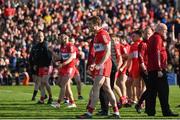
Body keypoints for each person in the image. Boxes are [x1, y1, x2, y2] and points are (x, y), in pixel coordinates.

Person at [77, 16, 120, 119]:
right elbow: (99, 53)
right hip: (102, 64)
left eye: (90, 24)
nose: (89, 26)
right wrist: (94, 63)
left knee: (96, 88)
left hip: (104, 65)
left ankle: (89, 113)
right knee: (107, 89)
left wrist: (100, 64)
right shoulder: (97, 35)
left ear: (96, 24)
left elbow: (108, 51)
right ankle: (116, 113)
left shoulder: (103, 34)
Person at [146, 23, 178, 116]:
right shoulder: (157, 38)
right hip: (157, 69)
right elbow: (157, 53)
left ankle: (150, 111)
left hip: (152, 69)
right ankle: (166, 111)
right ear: (160, 29)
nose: (166, 32)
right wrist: (159, 68)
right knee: (164, 91)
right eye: (165, 30)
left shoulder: (152, 37)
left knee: (152, 91)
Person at [98, 34, 123, 116]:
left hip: (111, 67)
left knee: (108, 88)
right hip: (110, 67)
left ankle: (116, 105)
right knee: (106, 88)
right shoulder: (109, 43)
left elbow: (120, 59)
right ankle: (107, 108)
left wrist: (117, 68)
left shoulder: (113, 44)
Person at [50, 34, 77, 108]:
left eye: (61, 38)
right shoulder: (62, 46)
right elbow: (60, 57)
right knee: (60, 83)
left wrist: (63, 64)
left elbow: (71, 58)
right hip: (64, 67)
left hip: (70, 67)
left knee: (63, 84)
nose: (60, 39)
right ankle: (72, 102)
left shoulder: (70, 45)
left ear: (66, 38)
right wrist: (52, 53)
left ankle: (58, 103)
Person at [135, 26, 153, 113]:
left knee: (150, 88)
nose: (147, 35)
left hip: (151, 68)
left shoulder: (152, 43)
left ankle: (142, 106)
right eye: (146, 33)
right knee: (150, 88)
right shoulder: (143, 44)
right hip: (145, 69)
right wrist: (144, 68)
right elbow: (140, 57)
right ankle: (140, 104)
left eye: (149, 33)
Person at [33, 30, 53, 104]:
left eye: (41, 36)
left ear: (43, 36)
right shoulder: (37, 46)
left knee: (44, 81)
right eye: (38, 36)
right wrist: (35, 64)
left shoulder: (46, 44)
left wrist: (48, 65)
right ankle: (42, 99)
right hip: (40, 66)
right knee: (41, 83)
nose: (40, 37)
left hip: (47, 65)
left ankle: (50, 97)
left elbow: (49, 56)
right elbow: (37, 57)